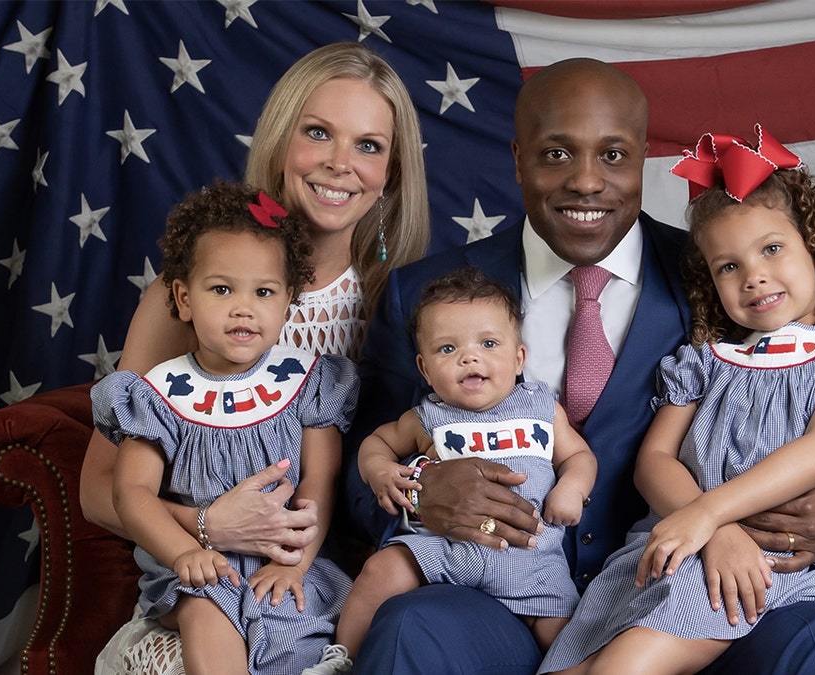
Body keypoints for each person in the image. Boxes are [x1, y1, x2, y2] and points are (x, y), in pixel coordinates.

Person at [346, 57, 815, 674]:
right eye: (557, 154)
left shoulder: (719, 273)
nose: (586, 181)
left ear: (641, 160)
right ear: (518, 157)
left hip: (692, 583)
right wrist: (419, 495)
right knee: (409, 627)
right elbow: (358, 471)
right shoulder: (425, 293)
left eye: (613, 155)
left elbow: (809, 418)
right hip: (496, 589)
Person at [80, 42, 430, 673]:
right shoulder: (186, 295)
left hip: (329, 577)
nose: (339, 165)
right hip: (200, 569)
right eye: (318, 132)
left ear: (392, 174)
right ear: (278, 141)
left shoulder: (401, 300)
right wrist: (211, 526)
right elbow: (99, 492)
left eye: (369, 146)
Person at [538, 128, 815, 674]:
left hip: (776, 562)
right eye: (728, 266)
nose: (754, 275)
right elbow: (655, 461)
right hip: (681, 544)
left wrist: (710, 513)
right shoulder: (706, 362)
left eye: (772, 249)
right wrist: (710, 529)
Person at [91, 182, 360, 674]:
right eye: (221, 289)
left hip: (285, 558)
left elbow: (320, 482)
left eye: (263, 292)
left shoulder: (309, 381)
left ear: (287, 302)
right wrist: (182, 554)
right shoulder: (161, 393)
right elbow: (131, 492)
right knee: (206, 614)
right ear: (183, 298)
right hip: (199, 567)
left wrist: (296, 562)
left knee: (292, 626)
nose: (243, 307)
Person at [327, 266, 596, 667]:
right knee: (380, 571)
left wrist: (571, 487)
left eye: (488, 343)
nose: (469, 356)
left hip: (530, 557)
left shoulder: (541, 406)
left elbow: (579, 456)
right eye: (447, 349)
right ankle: (342, 659)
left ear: (519, 358)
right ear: (425, 370)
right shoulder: (425, 418)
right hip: (445, 547)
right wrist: (380, 471)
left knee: (565, 639)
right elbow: (376, 444)